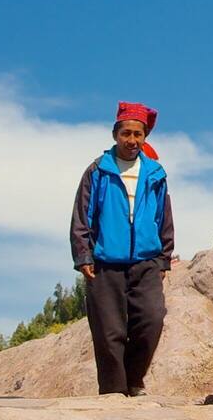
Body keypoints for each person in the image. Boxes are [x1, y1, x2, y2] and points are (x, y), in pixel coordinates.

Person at [69, 101, 175, 396]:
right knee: (108, 332)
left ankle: (134, 380)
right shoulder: (97, 171)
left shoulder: (155, 173)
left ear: (145, 137)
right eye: (126, 134)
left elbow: (163, 216)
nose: (132, 141)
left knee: (152, 320)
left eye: (138, 135)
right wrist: (83, 254)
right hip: (104, 263)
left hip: (147, 261)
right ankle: (114, 394)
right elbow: (82, 214)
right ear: (116, 134)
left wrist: (164, 257)